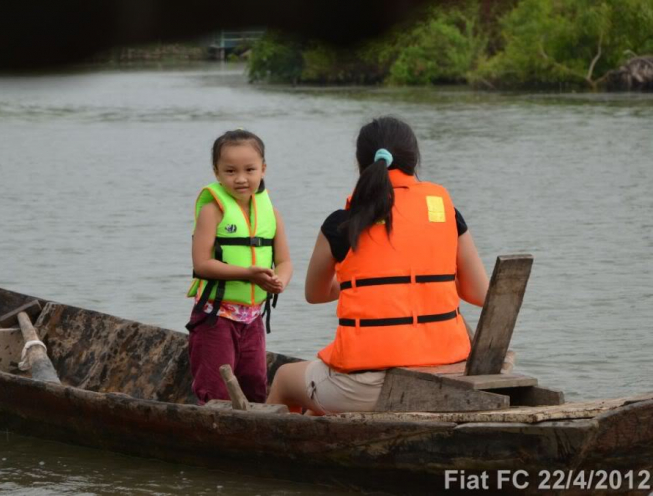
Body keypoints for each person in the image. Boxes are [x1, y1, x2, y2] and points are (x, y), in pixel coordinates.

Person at [266, 116, 488, 414]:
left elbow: (315, 293)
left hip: (364, 387)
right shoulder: (448, 212)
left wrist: (362, 283)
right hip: (448, 373)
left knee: (283, 378)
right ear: (414, 161)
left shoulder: (341, 223)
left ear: (361, 164)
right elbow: (480, 294)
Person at [186, 129, 293, 405]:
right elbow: (202, 264)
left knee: (255, 385)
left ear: (263, 169)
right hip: (215, 316)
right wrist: (249, 275)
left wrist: (279, 280)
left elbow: (284, 261)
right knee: (216, 390)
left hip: (253, 318)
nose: (241, 178)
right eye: (230, 171)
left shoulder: (272, 214)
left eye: (250, 169)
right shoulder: (213, 211)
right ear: (217, 172)